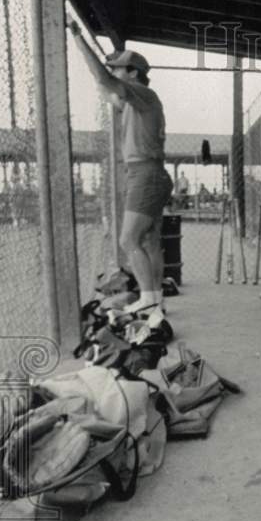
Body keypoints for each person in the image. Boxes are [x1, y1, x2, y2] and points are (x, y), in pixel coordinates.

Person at [69, 25, 172, 315]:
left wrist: (79, 41)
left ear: (133, 74)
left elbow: (103, 79)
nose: (114, 74)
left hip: (146, 174)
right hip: (150, 173)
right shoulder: (134, 101)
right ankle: (155, 298)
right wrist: (97, 68)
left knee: (129, 239)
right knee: (149, 239)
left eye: (119, 70)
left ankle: (150, 298)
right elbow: (106, 88)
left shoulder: (142, 93)